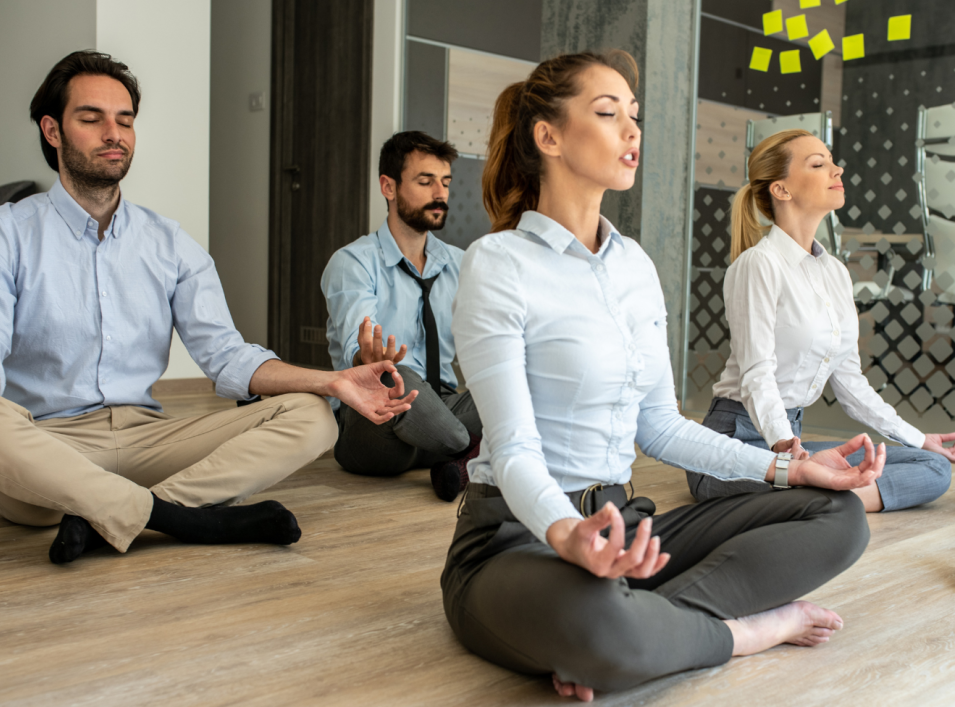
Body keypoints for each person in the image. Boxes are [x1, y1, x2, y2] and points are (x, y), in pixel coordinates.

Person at [441, 49, 886, 700]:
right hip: (517, 540)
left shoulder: (635, 268)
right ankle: (745, 630)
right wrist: (567, 534)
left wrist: (791, 467)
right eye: (607, 112)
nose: (632, 130)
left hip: (626, 528)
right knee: (593, 617)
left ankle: (640, 634)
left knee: (840, 514)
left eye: (635, 115)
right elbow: (511, 448)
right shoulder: (499, 263)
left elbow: (660, 426)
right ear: (549, 136)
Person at [0, 50, 414, 565]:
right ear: (53, 131)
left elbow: (228, 356)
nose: (113, 133)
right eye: (91, 118)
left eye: (125, 120)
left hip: (147, 442)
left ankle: (116, 513)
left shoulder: (171, 243)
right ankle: (181, 517)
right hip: (46, 448)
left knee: (314, 416)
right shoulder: (0, 231)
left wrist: (331, 381)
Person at [686, 129, 952, 513]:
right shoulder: (758, 265)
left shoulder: (836, 272)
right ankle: (822, 498)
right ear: (782, 190)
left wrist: (916, 437)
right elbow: (756, 373)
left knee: (931, 466)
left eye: (832, 161)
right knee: (867, 475)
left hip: (791, 441)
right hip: (736, 443)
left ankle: (819, 500)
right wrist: (785, 449)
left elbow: (850, 382)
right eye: (819, 164)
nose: (837, 169)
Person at [321, 132, 481, 502]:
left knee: (519, 380)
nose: (439, 193)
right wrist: (369, 361)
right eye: (425, 182)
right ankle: (469, 453)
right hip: (378, 422)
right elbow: (357, 351)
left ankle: (453, 451)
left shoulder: (461, 263)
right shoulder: (353, 262)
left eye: (445, 182)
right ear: (388, 187)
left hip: (442, 407)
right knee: (394, 374)